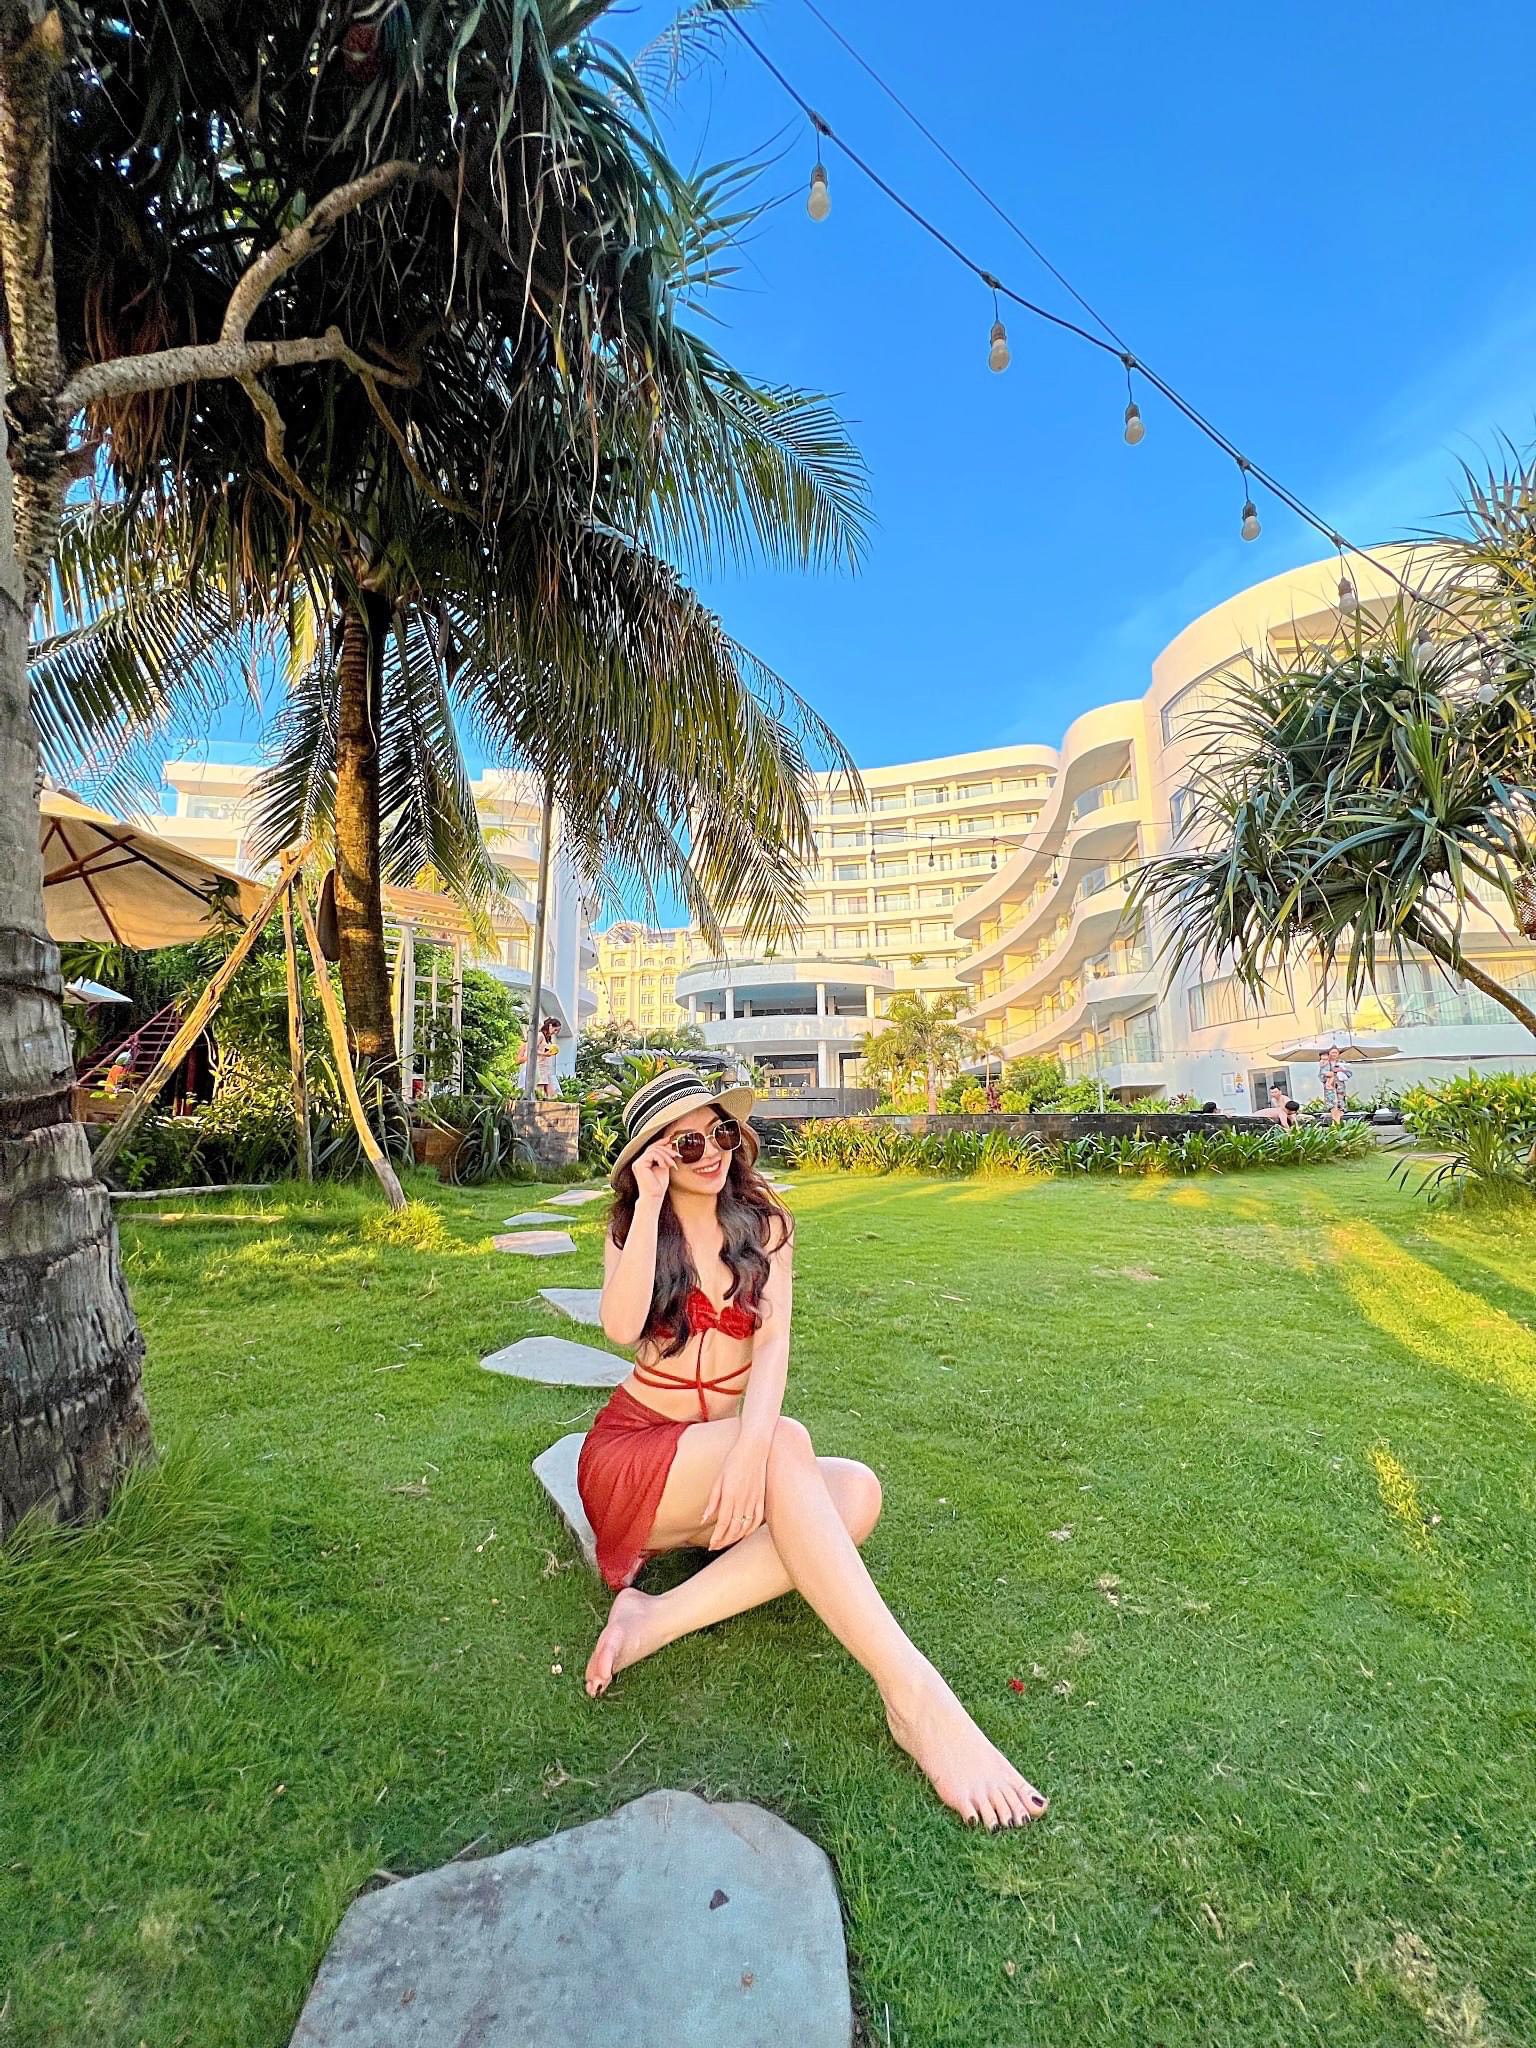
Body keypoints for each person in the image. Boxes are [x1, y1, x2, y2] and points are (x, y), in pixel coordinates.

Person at [577, 1067, 1048, 1832]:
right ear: (653, 1157)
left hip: (717, 1470)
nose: (711, 1152)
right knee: (787, 1443)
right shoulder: (636, 1230)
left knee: (856, 1492)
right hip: (636, 1460)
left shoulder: (765, 1225)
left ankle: (652, 1618)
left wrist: (746, 1455)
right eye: (687, 1143)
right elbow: (622, 1327)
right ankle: (914, 1696)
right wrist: (653, 1200)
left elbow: (773, 1348)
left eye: (719, 1132)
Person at [1318, 1048, 1350, 1125]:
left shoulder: (1341, 1063)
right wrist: (1329, 1073)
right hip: (1330, 1087)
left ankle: (1337, 1121)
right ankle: (1335, 1122)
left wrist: (1340, 1070)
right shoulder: (1325, 1063)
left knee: (1340, 1104)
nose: (1334, 1054)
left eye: (1336, 1052)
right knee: (1332, 1104)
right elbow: (1321, 1076)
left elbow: (1349, 1074)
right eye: (1332, 1052)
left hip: (1340, 1087)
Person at [535, 1015, 561, 1098]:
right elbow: (532, 1050)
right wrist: (544, 1054)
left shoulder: (548, 1038)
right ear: (550, 1026)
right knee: (540, 1090)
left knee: (551, 1092)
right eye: (555, 1029)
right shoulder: (540, 1035)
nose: (555, 1032)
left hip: (546, 1067)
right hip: (539, 1066)